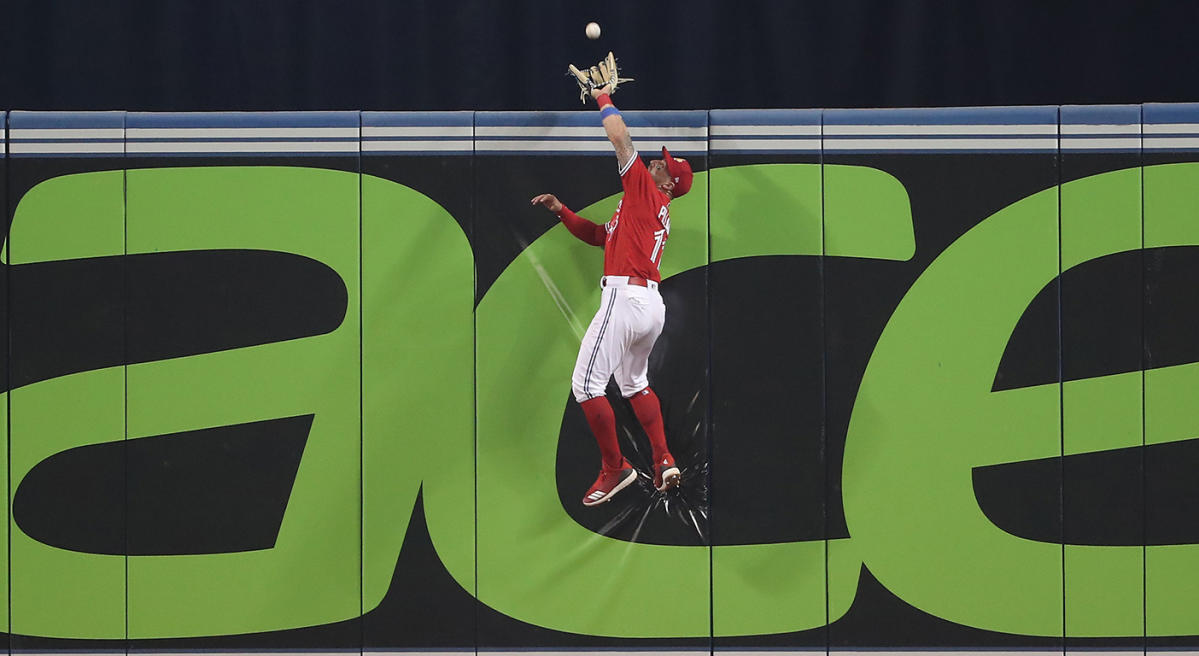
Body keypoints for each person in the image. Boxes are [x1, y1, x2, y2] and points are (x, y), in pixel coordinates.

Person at [530, 83, 694, 507]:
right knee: (634, 383)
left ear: (670, 184)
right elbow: (601, 236)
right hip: (649, 305)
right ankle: (663, 459)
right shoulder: (643, 209)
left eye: (665, 165)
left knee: (586, 385)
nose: (659, 162)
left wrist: (603, 98)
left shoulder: (644, 190)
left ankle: (615, 467)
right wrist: (563, 212)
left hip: (625, 300)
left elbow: (619, 137)